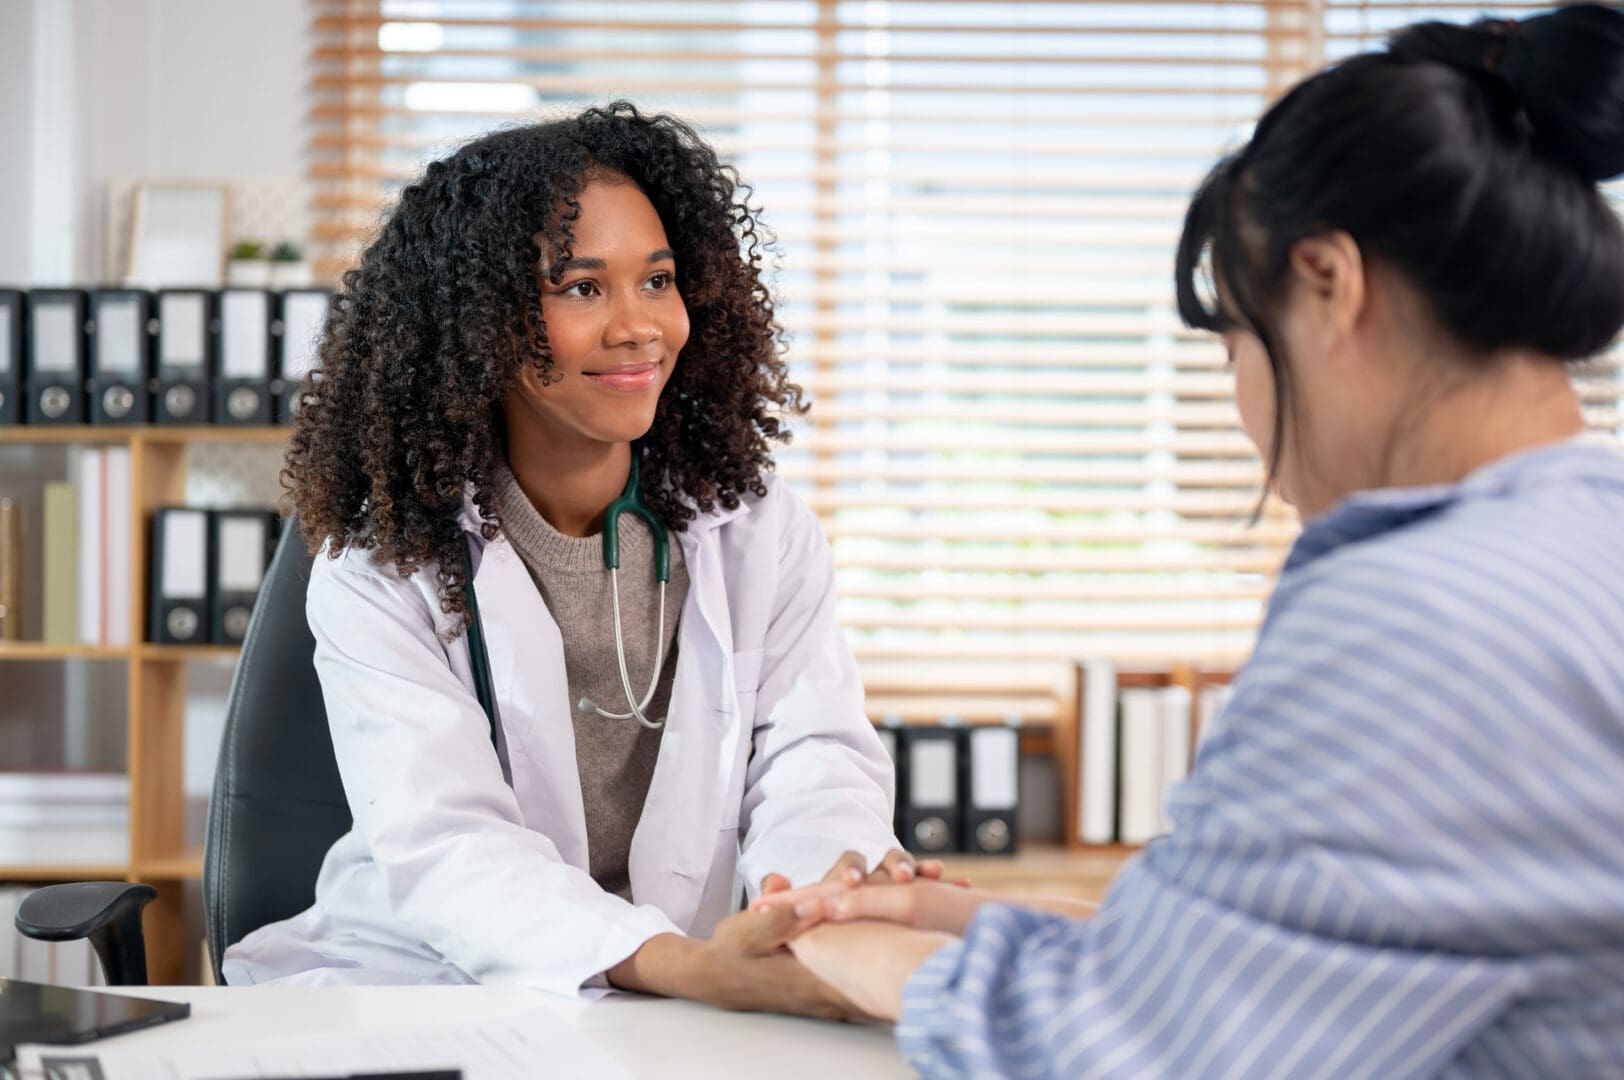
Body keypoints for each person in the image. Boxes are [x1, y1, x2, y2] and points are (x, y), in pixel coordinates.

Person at [758, 6, 1624, 1075]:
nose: (1244, 408)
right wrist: (964, 922)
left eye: (1234, 350)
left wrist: (840, 944)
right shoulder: (1584, 542)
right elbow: (1319, 952)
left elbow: (1124, 1050)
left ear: (1328, 283)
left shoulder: (1417, 615)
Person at [221, 103, 935, 1015]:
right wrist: (693, 968)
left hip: (696, 991)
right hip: (432, 985)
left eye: (660, 280)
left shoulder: (758, 531)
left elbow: (815, 758)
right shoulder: (383, 562)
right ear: (479, 321)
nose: (640, 327)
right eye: (584, 288)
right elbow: (449, 849)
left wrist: (823, 902)